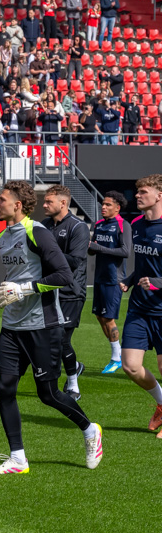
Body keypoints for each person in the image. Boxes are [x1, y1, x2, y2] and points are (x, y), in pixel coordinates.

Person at [0, 180, 102, 475]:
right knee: (4, 387)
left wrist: (25, 289)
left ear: (17, 205)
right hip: (12, 327)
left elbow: (64, 275)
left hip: (42, 325)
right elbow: (14, 277)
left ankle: (90, 430)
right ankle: (18, 459)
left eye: (2, 200)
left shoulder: (37, 232)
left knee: (48, 394)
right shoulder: (3, 237)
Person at [118, 175, 162, 437]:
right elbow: (146, 265)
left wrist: (158, 282)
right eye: (137, 192)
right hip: (139, 308)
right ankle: (161, 402)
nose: (137, 196)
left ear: (159, 195)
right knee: (130, 366)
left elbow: (156, 275)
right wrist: (131, 279)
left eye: (143, 192)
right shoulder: (136, 224)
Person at [41, 186, 89, 400]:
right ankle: (74, 366)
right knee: (48, 339)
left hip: (71, 292)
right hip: (48, 289)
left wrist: (48, 253)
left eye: (48, 201)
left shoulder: (78, 227)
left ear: (63, 203)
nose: (44, 205)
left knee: (61, 339)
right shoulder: (43, 226)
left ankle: (73, 385)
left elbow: (75, 261)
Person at [88, 191, 129, 374]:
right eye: (103, 204)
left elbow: (125, 251)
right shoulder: (98, 224)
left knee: (108, 318)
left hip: (114, 279)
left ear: (117, 208)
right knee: (100, 316)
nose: (103, 207)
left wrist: (99, 248)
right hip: (99, 277)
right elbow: (93, 249)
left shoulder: (123, 225)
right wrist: (90, 247)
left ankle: (116, 358)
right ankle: (117, 353)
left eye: (108, 205)